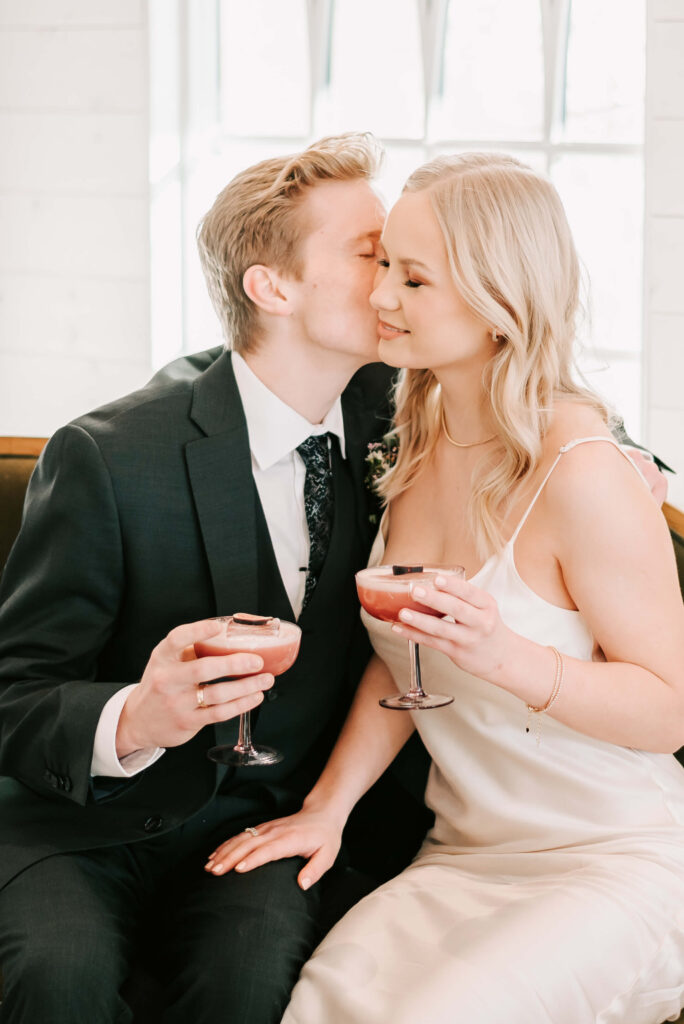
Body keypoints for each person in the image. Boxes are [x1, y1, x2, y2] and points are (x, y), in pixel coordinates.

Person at [207, 153, 684, 1024]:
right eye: (382, 263)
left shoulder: (585, 473)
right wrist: (326, 811)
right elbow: (402, 664)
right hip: (460, 858)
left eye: (413, 278)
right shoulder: (411, 433)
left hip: (603, 858)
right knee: (317, 1009)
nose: (380, 296)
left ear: (500, 300)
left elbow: (669, 708)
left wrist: (506, 655)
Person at [0, 133, 432, 1024]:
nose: (396, 283)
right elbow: (15, 694)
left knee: (247, 989)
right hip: (87, 827)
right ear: (271, 289)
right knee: (58, 977)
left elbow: (554, 415)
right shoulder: (112, 457)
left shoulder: (409, 407)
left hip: (270, 825)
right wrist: (136, 717)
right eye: (371, 255)